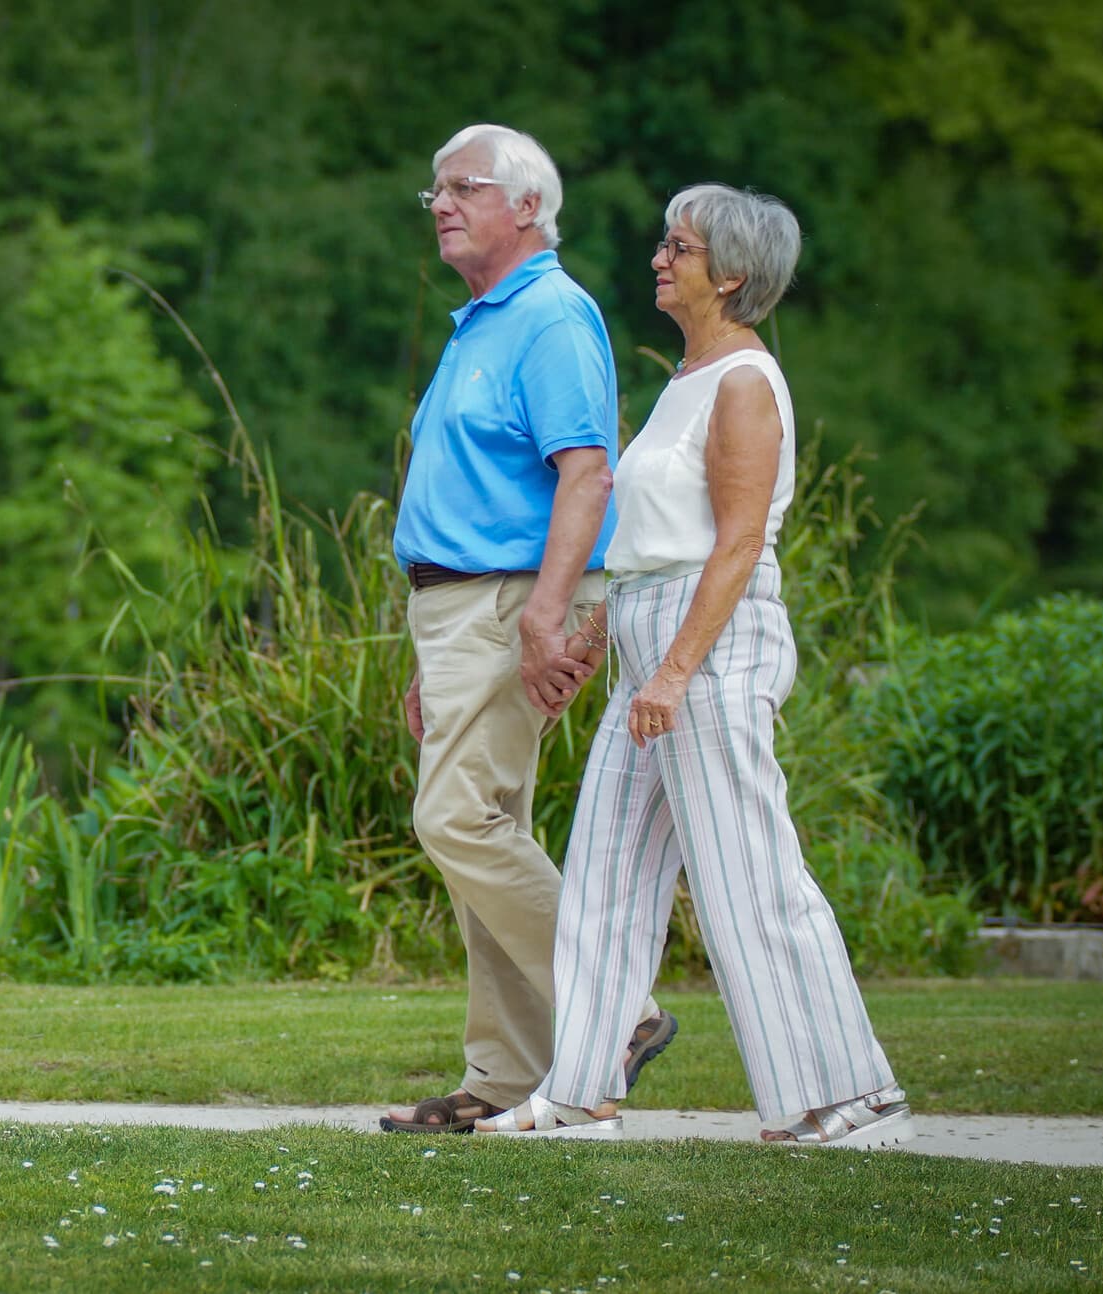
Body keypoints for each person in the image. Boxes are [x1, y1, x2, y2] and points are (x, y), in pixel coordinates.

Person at [477, 184, 909, 1145]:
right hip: (649, 633)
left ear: (734, 275)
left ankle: (850, 1092)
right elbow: (655, 538)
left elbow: (739, 543)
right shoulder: (689, 380)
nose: (659, 259)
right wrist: (601, 645)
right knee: (605, 872)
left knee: (746, 872)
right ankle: (582, 1091)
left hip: (709, 645)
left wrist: (672, 671)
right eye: (665, 243)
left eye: (680, 247)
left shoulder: (746, 384)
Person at [378, 124, 677, 1135]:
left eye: (463, 187)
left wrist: (548, 618)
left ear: (528, 209)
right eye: (434, 191)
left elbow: (586, 475)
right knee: (484, 832)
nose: (441, 204)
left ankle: (617, 1010)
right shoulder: (482, 322)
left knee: (456, 822)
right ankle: (505, 1072)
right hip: (462, 606)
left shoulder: (550, 316)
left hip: (510, 599)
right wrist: (436, 651)